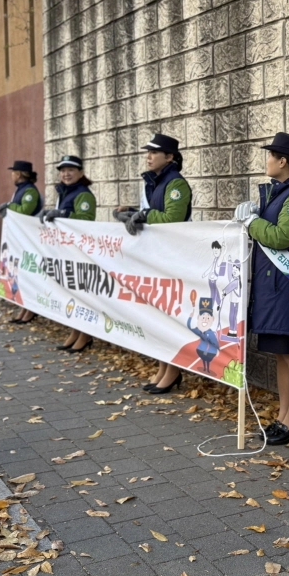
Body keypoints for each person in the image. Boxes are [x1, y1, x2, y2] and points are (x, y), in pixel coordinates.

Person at [234, 132, 289, 446]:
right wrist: (255, 215)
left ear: (283, 161)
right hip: (276, 289)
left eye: (270, 155)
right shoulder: (280, 192)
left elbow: (281, 237)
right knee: (282, 355)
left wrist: (252, 222)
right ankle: (284, 417)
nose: (267, 160)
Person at [113, 133, 193, 392]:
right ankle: (163, 367)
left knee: (169, 318)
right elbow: (153, 210)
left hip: (172, 259)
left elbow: (172, 218)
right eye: (148, 152)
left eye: (154, 152)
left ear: (169, 157)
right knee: (158, 317)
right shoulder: (156, 182)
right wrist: (130, 211)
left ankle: (173, 371)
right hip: (157, 258)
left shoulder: (176, 183)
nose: (148, 157)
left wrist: (143, 214)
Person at [40, 155, 96, 351]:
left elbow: (86, 220)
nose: (66, 174)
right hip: (65, 251)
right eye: (63, 170)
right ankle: (75, 331)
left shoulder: (83, 194)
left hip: (79, 253)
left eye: (71, 170)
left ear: (80, 172)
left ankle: (85, 335)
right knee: (70, 294)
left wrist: (63, 214)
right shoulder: (64, 193)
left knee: (81, 296)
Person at [0, 160, 42, 324]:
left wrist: (9, 207)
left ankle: (31, 310)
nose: (11, 175)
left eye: (13, 172)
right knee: (21, 275)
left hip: (29, 239)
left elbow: (25, 211)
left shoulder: (29, 191)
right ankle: (25, 307)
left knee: (29, 275)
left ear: (19, 174)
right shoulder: (21, 190)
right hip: (20, 238)